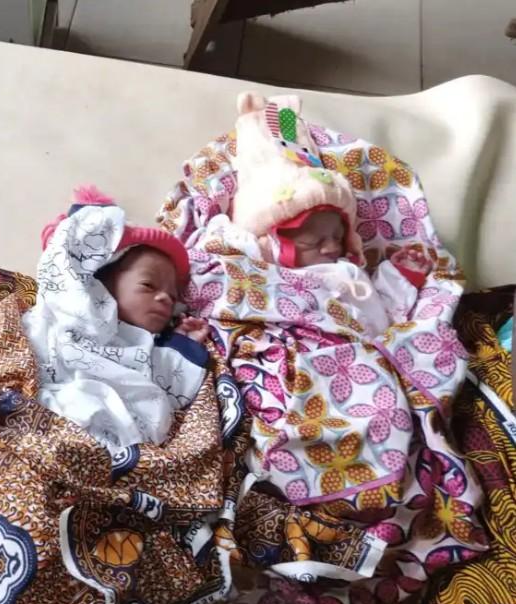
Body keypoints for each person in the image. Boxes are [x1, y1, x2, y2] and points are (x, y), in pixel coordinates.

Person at [219, 91, 432, 336]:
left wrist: (400, 275)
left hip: (364, 348)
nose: (331, 247)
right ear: (272, 243)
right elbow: (229, 251)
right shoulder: (266, 275)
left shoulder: (349, 273)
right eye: (313, 241)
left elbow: (385, 314)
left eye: (338, 237)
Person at [23, 187, 211, 453]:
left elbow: (168, 384)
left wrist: (184, 343)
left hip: (108, 444)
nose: (164, 299)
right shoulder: (80, 307)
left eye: (172, 296)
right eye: (149, 285)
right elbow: (68, 260)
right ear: (102, 281)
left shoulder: (146, 346)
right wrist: (90, 218)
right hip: (47, 410)